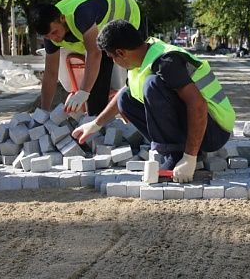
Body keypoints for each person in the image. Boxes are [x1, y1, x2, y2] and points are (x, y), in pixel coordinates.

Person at [71, 20, 235, 183]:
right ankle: (177, 151)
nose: (114, 62)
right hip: (201, 125)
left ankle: (178, 154)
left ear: (121, 53)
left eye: (111, 57)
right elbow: (125, 92)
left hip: (215, 131)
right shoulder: (143, 55)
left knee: (152, 85)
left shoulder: (166, 63)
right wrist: (96, 124)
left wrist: (189, 158)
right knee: (125, 99)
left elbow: (198, 105)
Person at [30, 0, 141, 116]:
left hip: (128, 15)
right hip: (102, 33)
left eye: (54, 32)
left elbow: (94, 53)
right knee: (95, 84)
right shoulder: (50, 33)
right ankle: (98, 121)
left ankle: (102, 122)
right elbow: (50, 73)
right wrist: (44, 112)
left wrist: (83, 92)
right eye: (48, 36)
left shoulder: (81, 14)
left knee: (128, 71)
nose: (53, 38)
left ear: (62, 18)